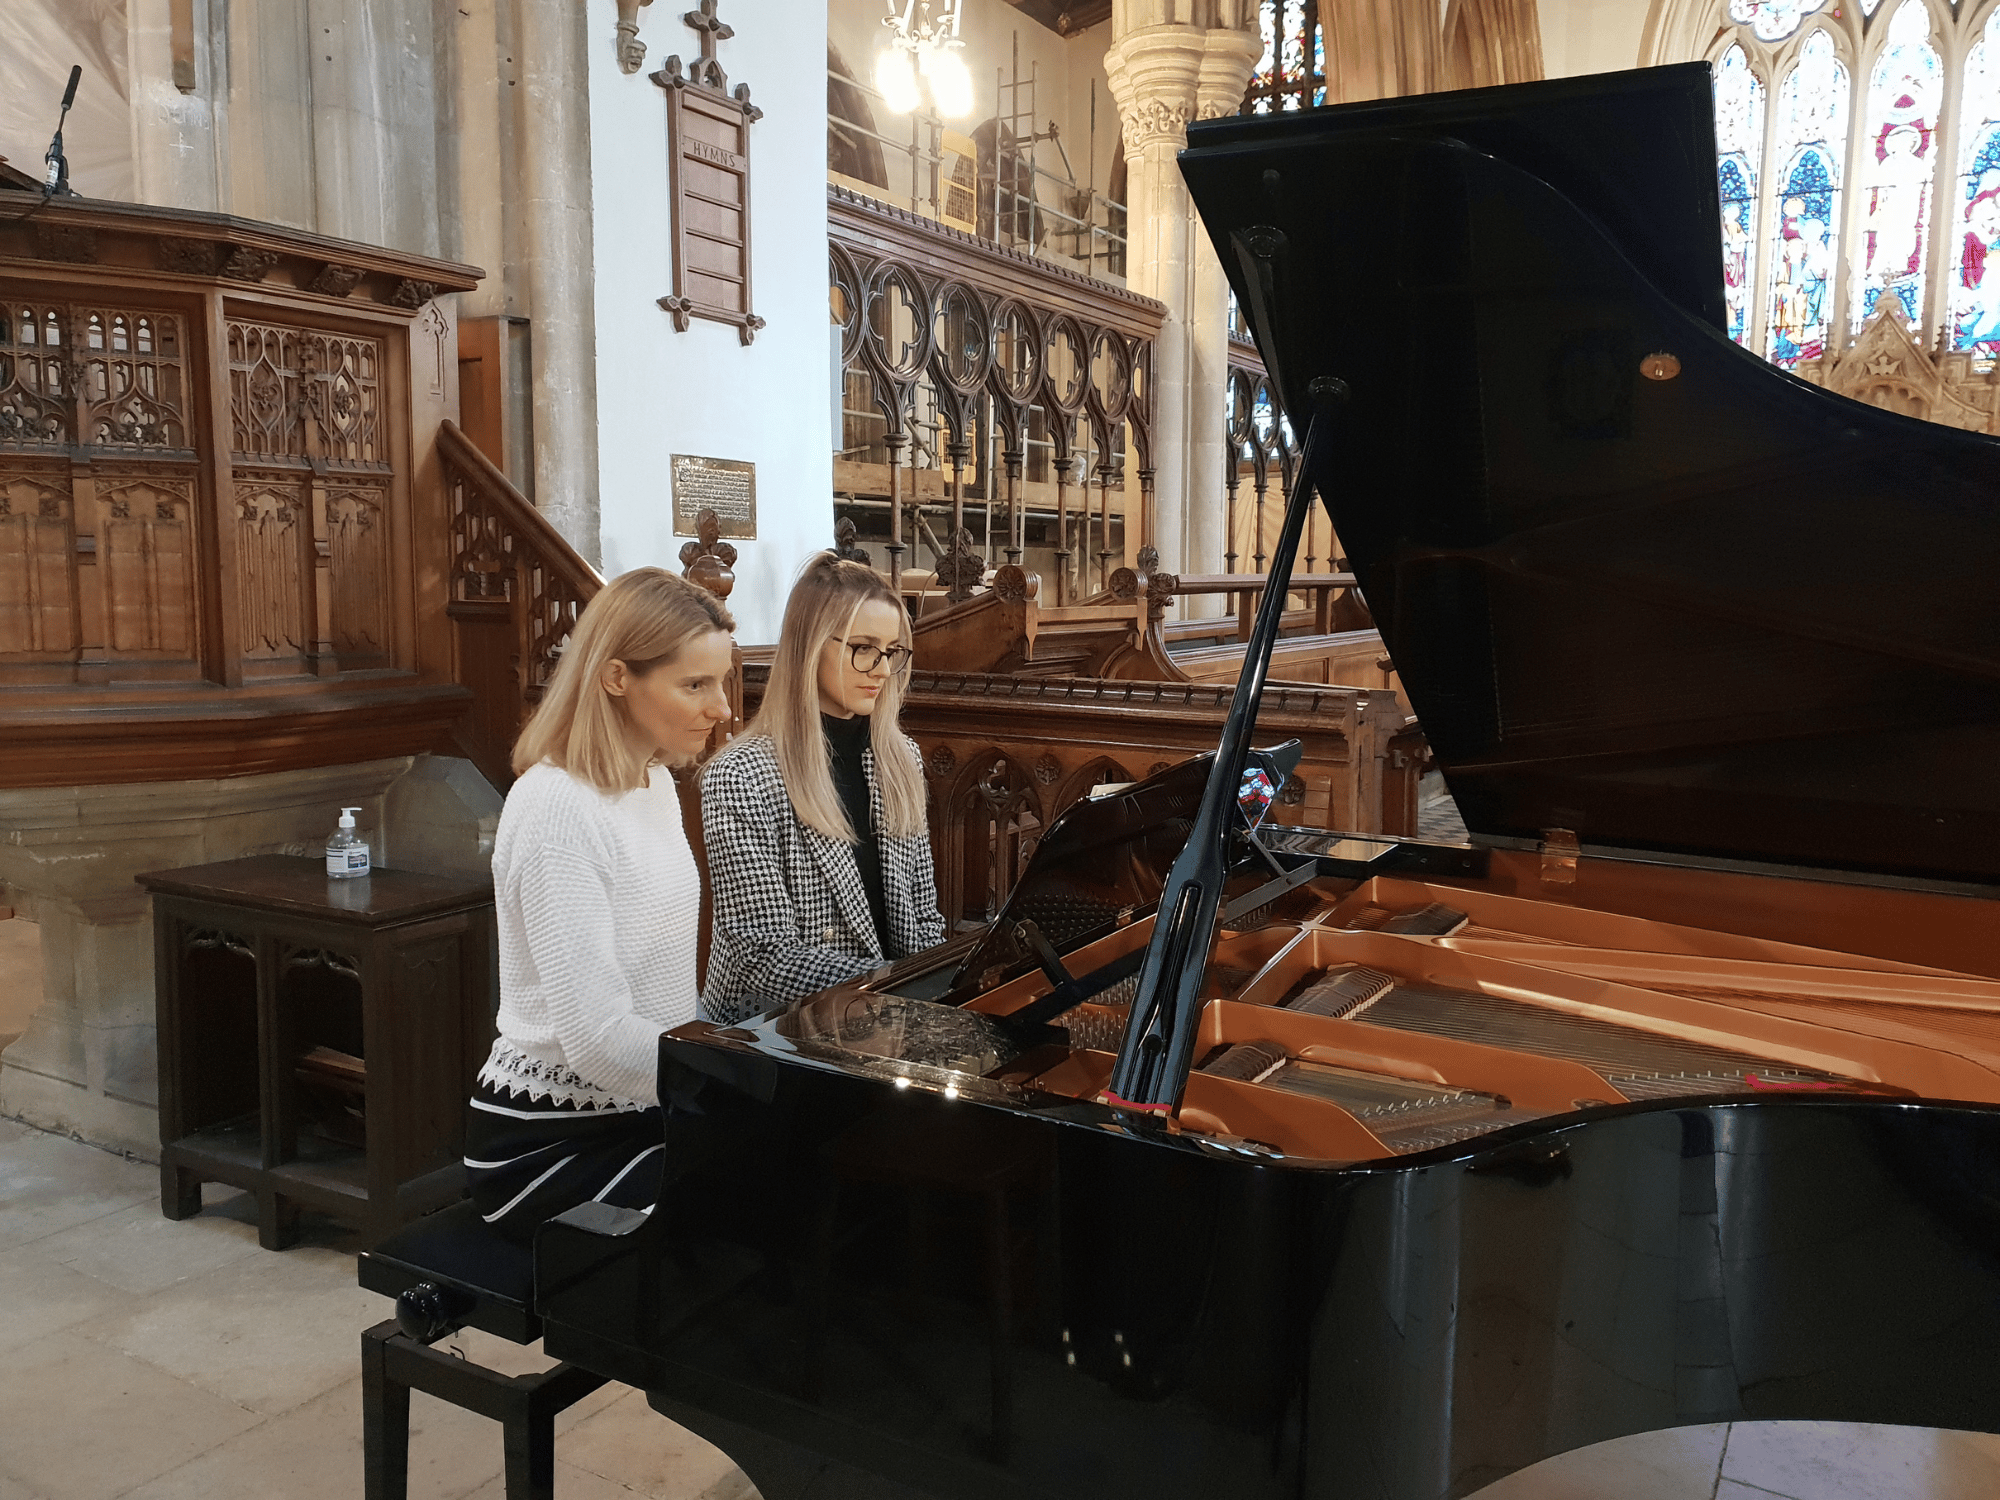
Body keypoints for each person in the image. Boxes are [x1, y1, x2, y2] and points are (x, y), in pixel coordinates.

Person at [463, 567, 735, 1242]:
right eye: (695, 684)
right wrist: (734, 1079)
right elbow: (599, 1040)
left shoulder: (654, 783)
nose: (722, 707)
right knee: (755, 1217)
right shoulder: (557, 806)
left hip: (646, 1111)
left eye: (721, 682)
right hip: (546, 1142)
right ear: (617, 678)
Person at [700, 553, 945, 1024]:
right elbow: (764, 958)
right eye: (863, 647)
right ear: (810, 646)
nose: (881, 669)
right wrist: (898, 988)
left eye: (893, 651)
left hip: (888, 1019)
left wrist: (943, 993)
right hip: (772, 1034)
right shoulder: (742, 775)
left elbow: (923, 920)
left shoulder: (900, 758)